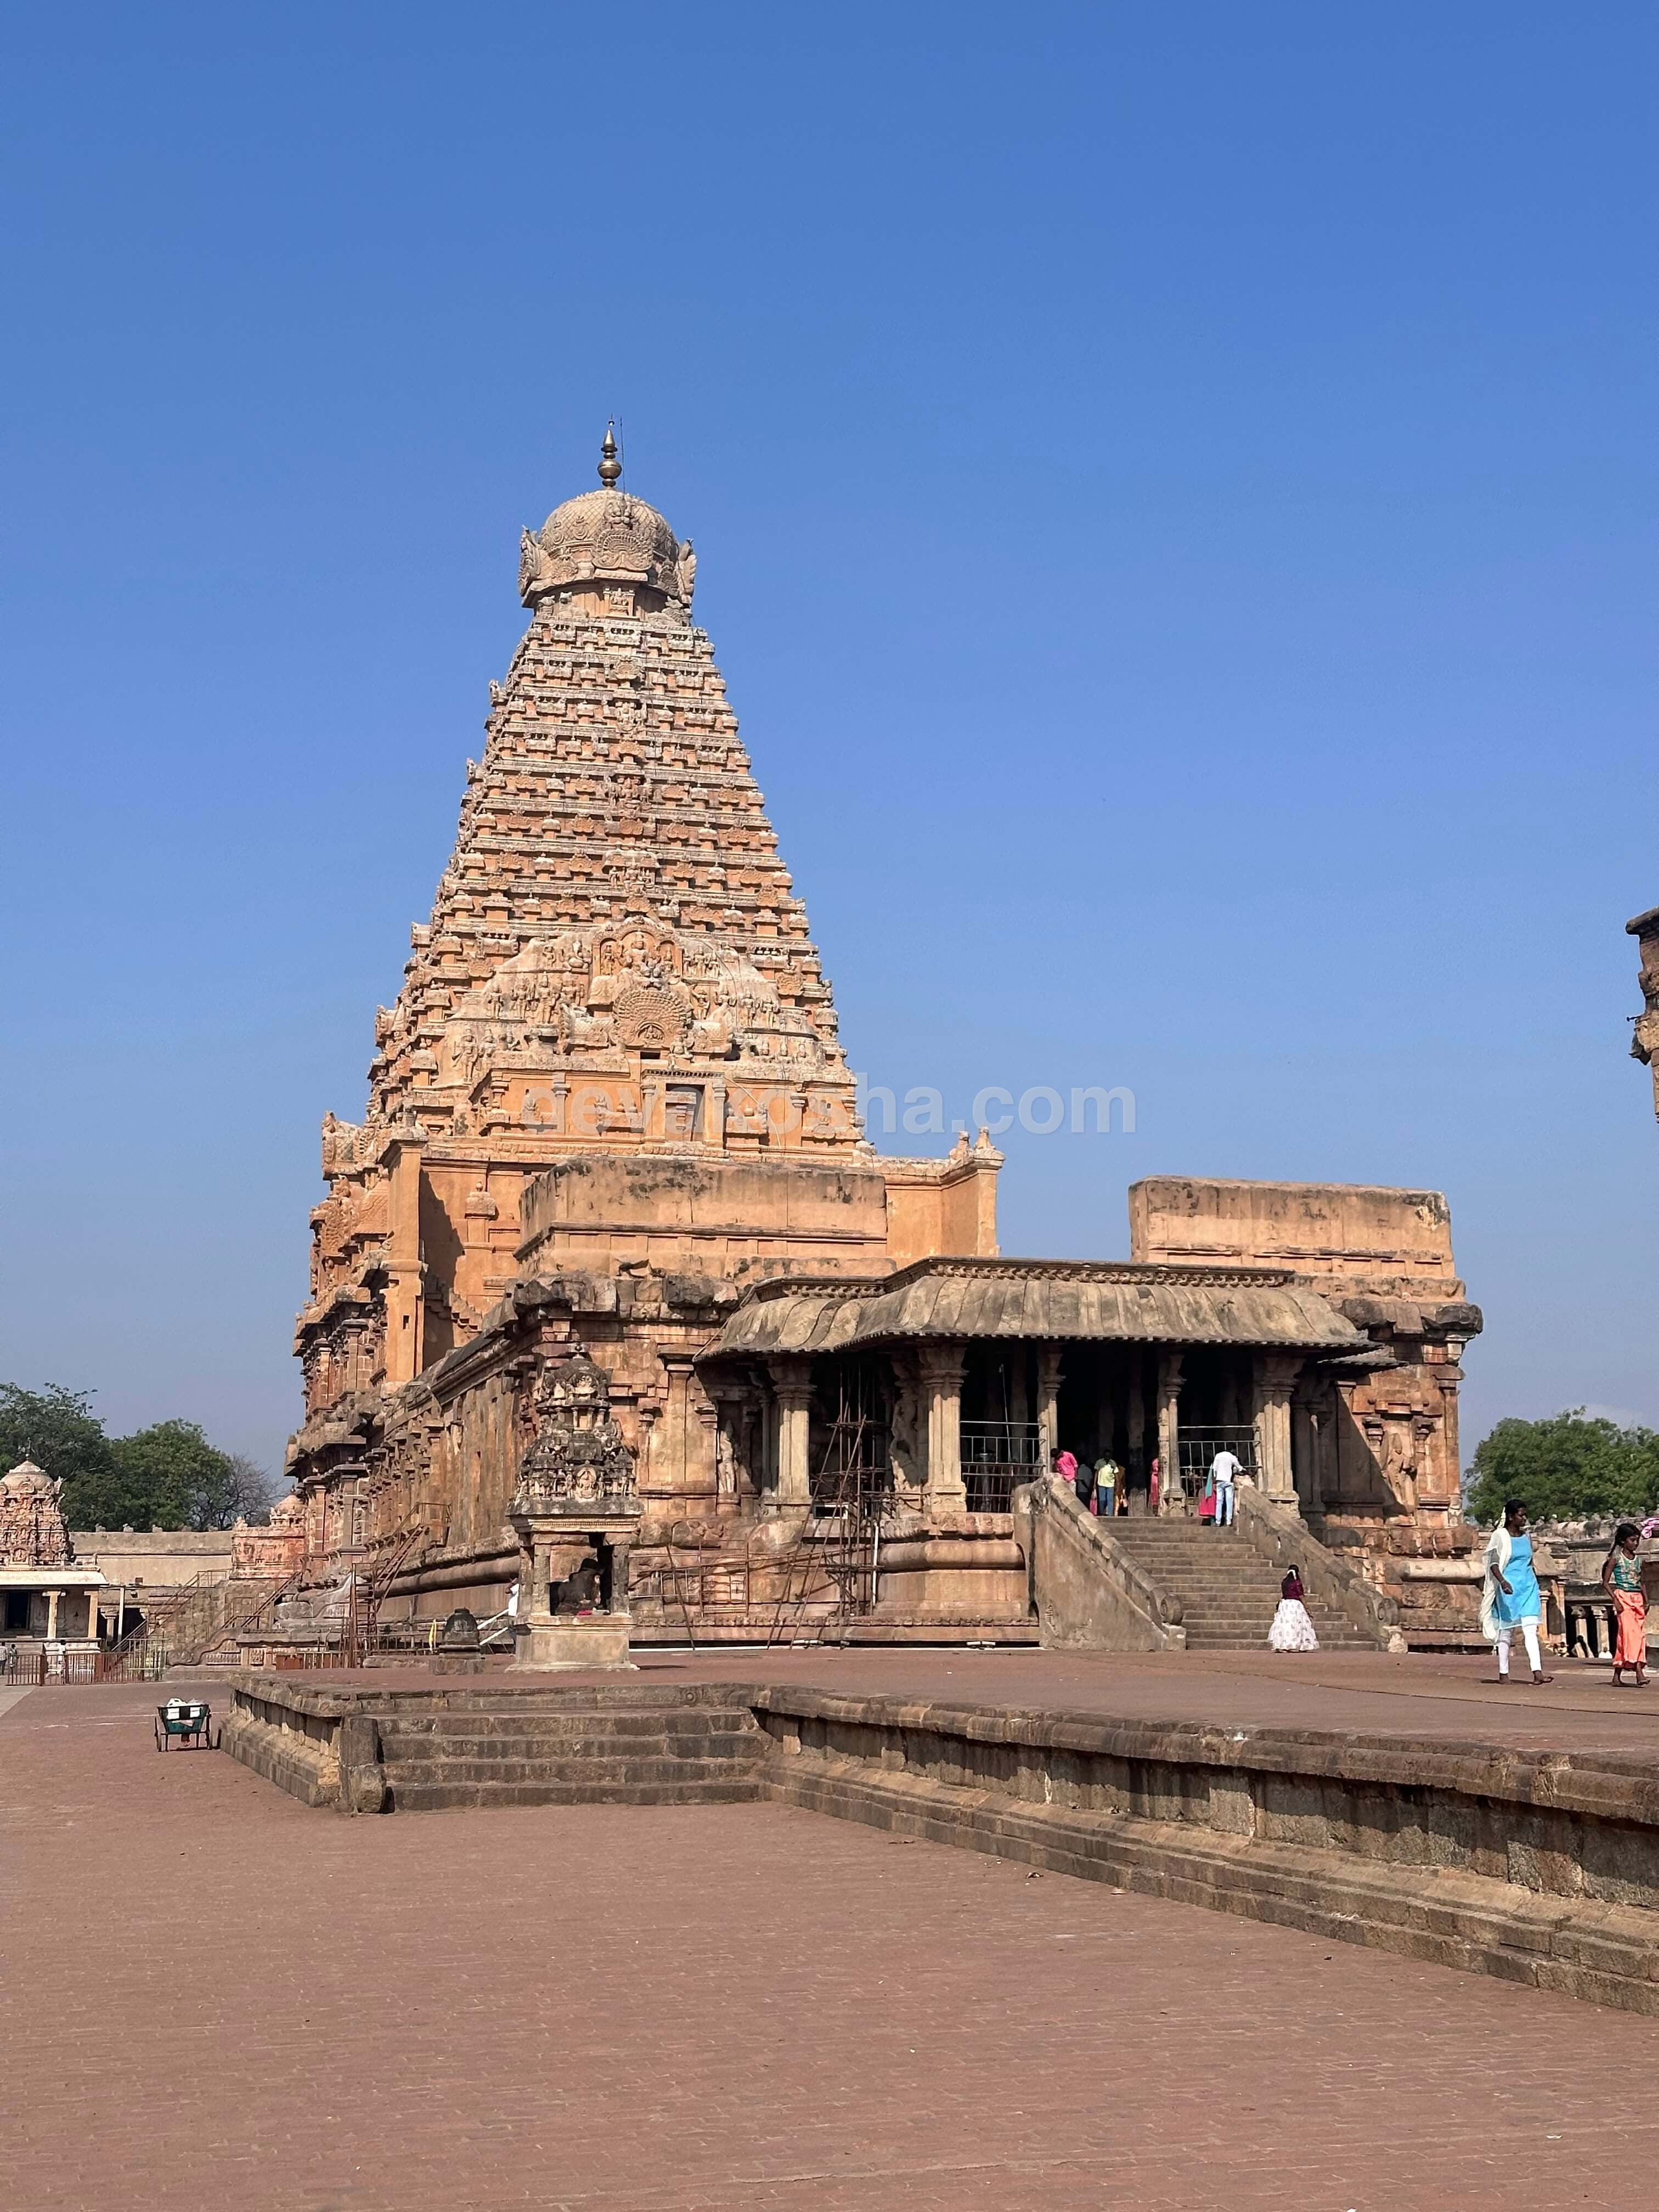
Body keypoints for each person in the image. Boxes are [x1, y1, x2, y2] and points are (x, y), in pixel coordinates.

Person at [1482, 1498, 1552, 1685]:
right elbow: (1494, 1564)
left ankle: (1537, 1672)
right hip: (1509, 1588)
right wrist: (1503, 1582)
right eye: (1521, 1515)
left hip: (1527, 1586)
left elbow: (1530, 1562)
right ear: (1511, 1516)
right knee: (1506, 1632)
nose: (1525, 1519)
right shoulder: (1500, 1536)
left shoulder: (1526, 1537)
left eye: (1525, 1515)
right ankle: (1504, 1673)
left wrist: (1535, 1581)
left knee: (1530, 1629)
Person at [1601, 1522, 1648, 1688]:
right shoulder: (1616, 1558)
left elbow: (1641, 1581)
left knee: (1629, 1638)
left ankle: (1617, 1675)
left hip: (1638, 1600)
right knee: (1632, 1636)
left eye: (1637, 1541)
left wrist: (1646, 1599)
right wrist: (1616, 1600)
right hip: (1623, 1598)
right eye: (1633, 1540)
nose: (1636, 1544)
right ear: (1623, 1541)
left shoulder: (1639, 1560)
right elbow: (1606, 1582)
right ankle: (1638, 1671)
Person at [1267, 1565, 1319, 1652]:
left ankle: (1283, 1644)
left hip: (1285, 1605)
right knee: (1297, 1625)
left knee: (1285, 1625)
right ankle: (1298, 1644)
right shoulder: (1297, 1583)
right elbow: (1301, 1596)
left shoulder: (1284, 1582)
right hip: (1295, 1605)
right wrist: (1307, 1608)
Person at [1207, 1444, 1242, 1528]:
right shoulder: (1232, 1457)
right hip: (1228, 1481)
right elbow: (1239, 1468)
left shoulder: (1218, 1456)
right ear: (1232, 1450)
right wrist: (1242, 1470)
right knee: (1229, 1501)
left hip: (1219, 1480)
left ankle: (1218, 1521)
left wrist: (1215, 1478)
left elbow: (1214, 1468)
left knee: (1219, 1501)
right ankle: (1229, 1521)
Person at [1094, 1455, 1119, 1519]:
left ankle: (1110, 1515)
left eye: (1109, 1456)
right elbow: (1096, 1473)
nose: (1107, 1457)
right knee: (1102, 1500)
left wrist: (1118, 1483)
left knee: (1110, 1500)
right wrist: (1094, 1484)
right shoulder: (1099, 1462)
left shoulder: (1113, 1463)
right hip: (1101, 1484)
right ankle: (1102, 1513)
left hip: (1110, 1484)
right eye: (1106, 1456)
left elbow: (1116, 1474)